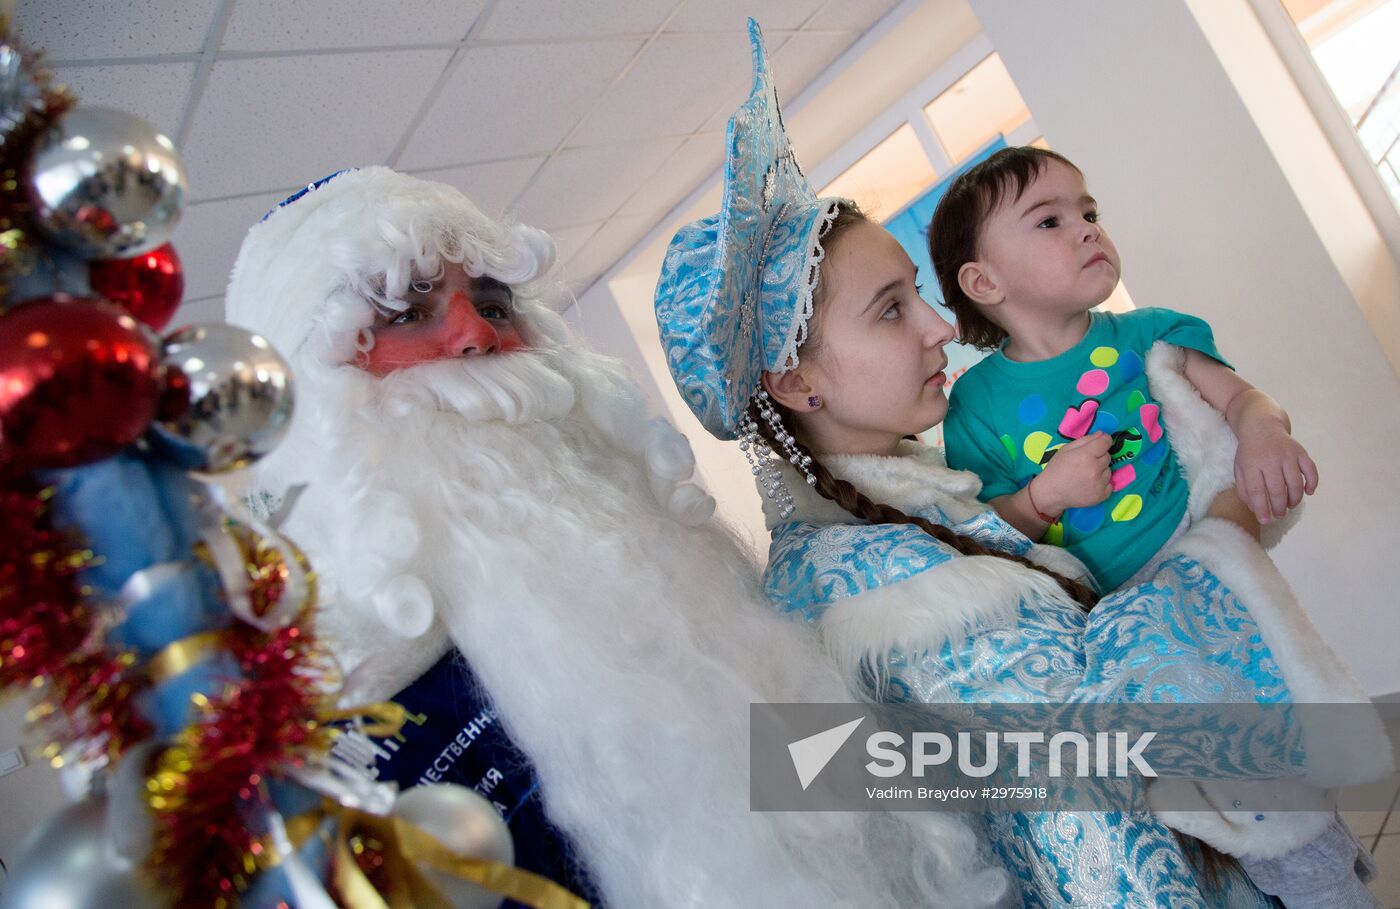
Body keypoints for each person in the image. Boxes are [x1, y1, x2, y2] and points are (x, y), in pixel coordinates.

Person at [654, 20, 1391, 908]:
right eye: (891, 311)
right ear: (797, 383)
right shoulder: (866, 590)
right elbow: (1099, 754)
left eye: (917, 297)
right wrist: (1227, 525)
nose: (936, 328)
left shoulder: (926, 487)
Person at [224, 167, 1003, 907]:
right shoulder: (336, 751)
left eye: (494, 302)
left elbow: (855, 782)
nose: (474, 336)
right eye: (403, 310)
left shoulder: (676, 593)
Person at [933, 145, 1316, 593]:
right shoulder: (975, 404)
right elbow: (986, 536)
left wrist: (1265, 433)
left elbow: (1243, 399)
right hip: (1109, 612)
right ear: (985, 282)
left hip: (1209, 555)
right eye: (1049, 221)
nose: (1088, 232)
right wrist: (1044, 496)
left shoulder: (1150, 333)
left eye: (1089, 215)